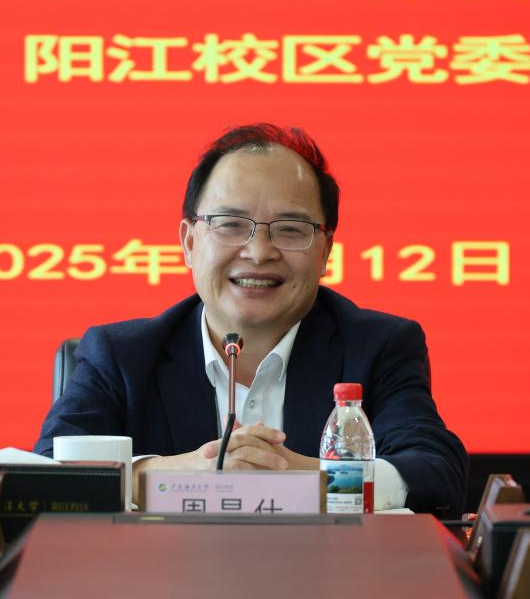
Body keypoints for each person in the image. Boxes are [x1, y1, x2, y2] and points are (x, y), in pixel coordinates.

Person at [34, 123, 467, 516]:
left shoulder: (379, 346)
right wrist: (172, 477)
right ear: (189, 242)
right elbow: (44, 474)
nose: (259, 252)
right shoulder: (121, 355)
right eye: (230, 224)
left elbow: (434, 471)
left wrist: (304, 480)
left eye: (291, 229)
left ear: (325, 252)